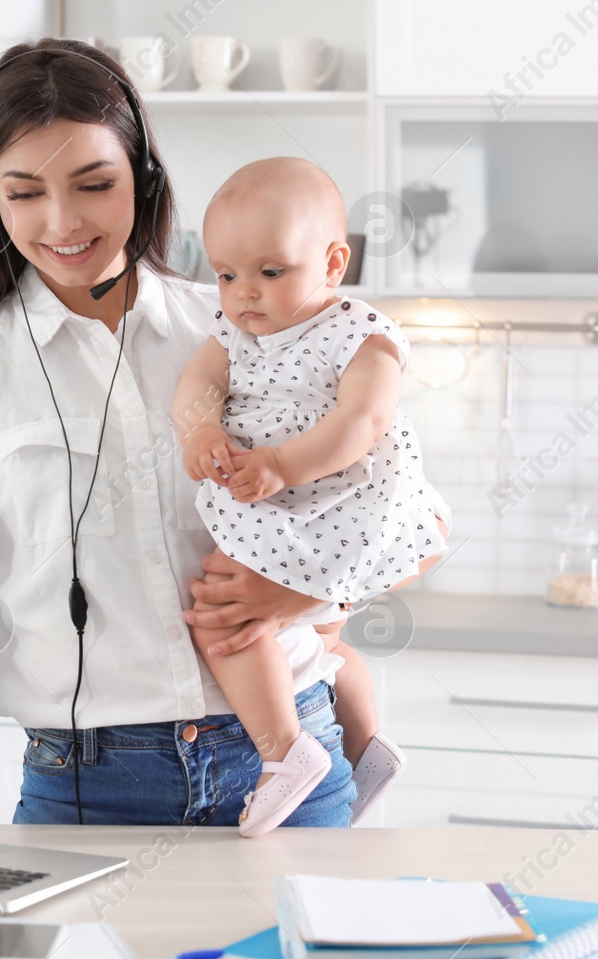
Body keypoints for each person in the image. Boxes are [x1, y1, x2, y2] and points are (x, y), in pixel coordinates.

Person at [0, 38, 452, 829]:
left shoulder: (253, 329)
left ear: (144, 180)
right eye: (25, 193)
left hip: (287, 760)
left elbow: (414, 524)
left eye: (95, 183)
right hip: (84, 784)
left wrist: (299, 595)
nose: (63, 221)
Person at [173, 158, 450, 836]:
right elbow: (196, 385)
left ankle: (285, 752)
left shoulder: (361, 331)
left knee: (221, 615)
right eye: (227, 273)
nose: (245, 294)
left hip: (333, 502)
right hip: (277, 500)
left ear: (333, 263)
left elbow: (364, 422)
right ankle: (365, 748)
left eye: (271, 272)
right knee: (323, 640)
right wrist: (202, 426)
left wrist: (281, 464)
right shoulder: (233, 331)